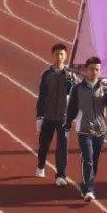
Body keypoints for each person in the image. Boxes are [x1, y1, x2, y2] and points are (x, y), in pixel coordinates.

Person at [64, 57, 107, 201]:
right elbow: (72, 108)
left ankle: (86, 183)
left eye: (97, 69)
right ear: (85, 70)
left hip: (100, 129)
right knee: (88, 159)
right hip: (84, 129)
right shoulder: (78, 88)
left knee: (95, 159)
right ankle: (89, 189)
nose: (94, 72)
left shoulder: (104, 86)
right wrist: (67, 124)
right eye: (92, 69)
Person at [35, 43, 79, 185]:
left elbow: (73, 96)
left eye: (62, 54)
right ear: (52, 55)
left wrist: (70, 81)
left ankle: (61, 175)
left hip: (63, 118)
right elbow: (42, 96)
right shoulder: (47, 75)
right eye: (56, 54)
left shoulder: (71, 75)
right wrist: (39, 116)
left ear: (66, 57)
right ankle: (41, 165)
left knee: (62, 147)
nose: (59, 57)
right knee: (44, 144)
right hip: (48, 116)